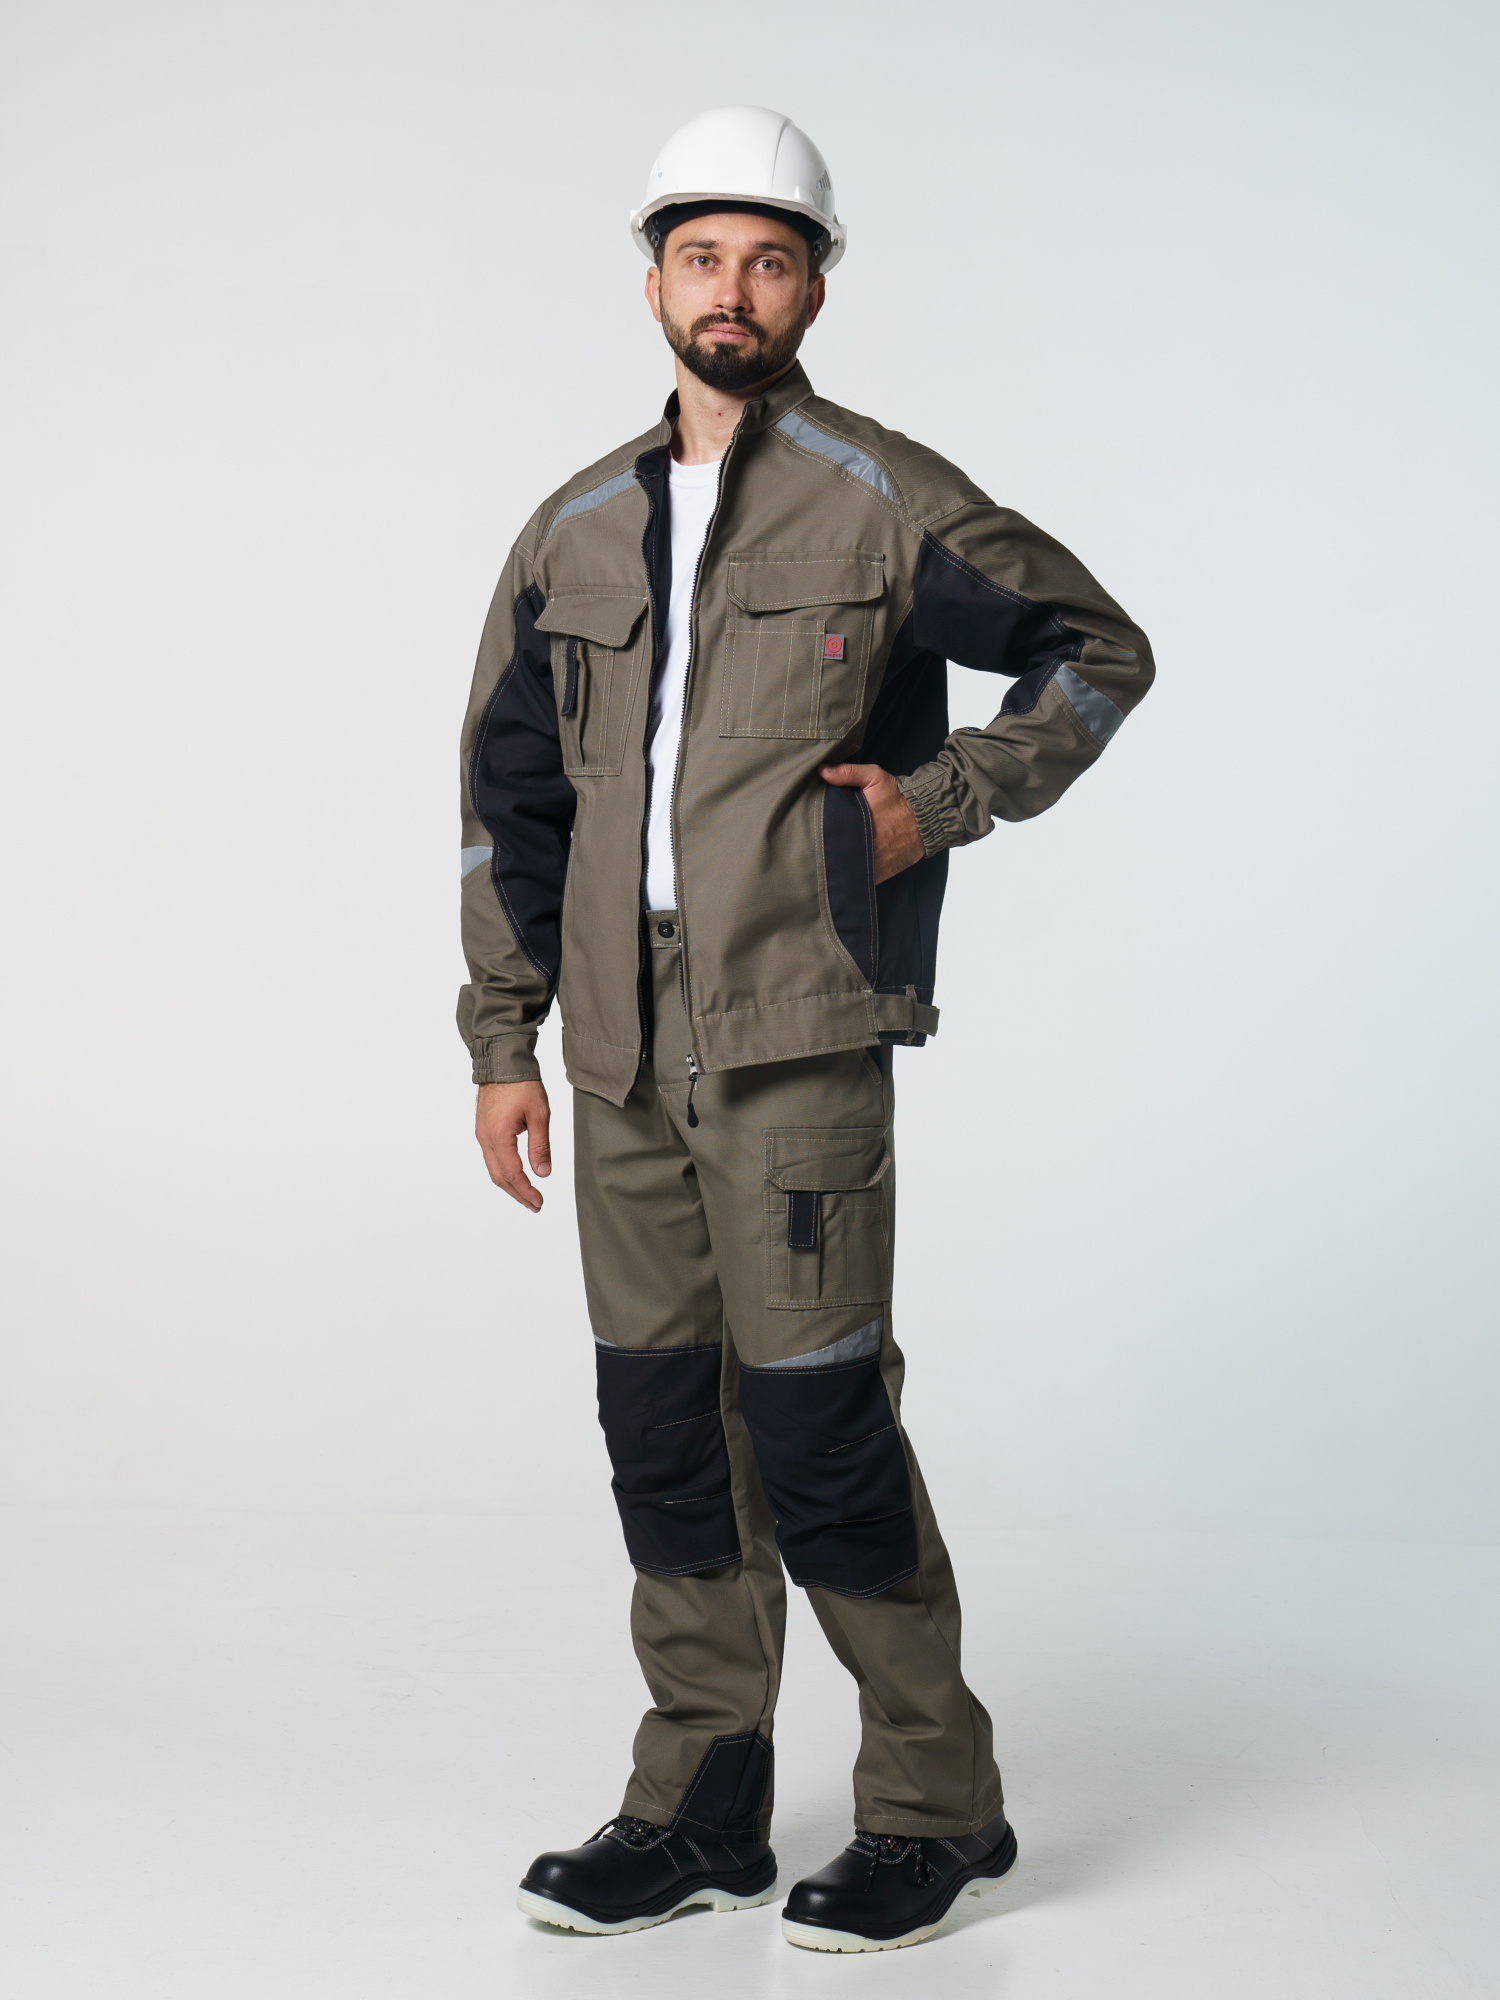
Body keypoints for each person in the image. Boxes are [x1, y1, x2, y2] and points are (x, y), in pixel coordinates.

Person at [457, 104, 1154, 1953]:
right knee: (664, 1431)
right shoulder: (572, 528)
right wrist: (503, 1040)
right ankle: (702, 1799)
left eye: (770, 260)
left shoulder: (880, 491)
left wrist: (942, 799)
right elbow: (508, 801)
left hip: (793, 1034)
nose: (733, 290)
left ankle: (938, 1807)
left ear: (814, 289)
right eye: (702, 256)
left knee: (821, 1427)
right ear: (654, 281)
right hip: (615, 1046)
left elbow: (1099, 650)